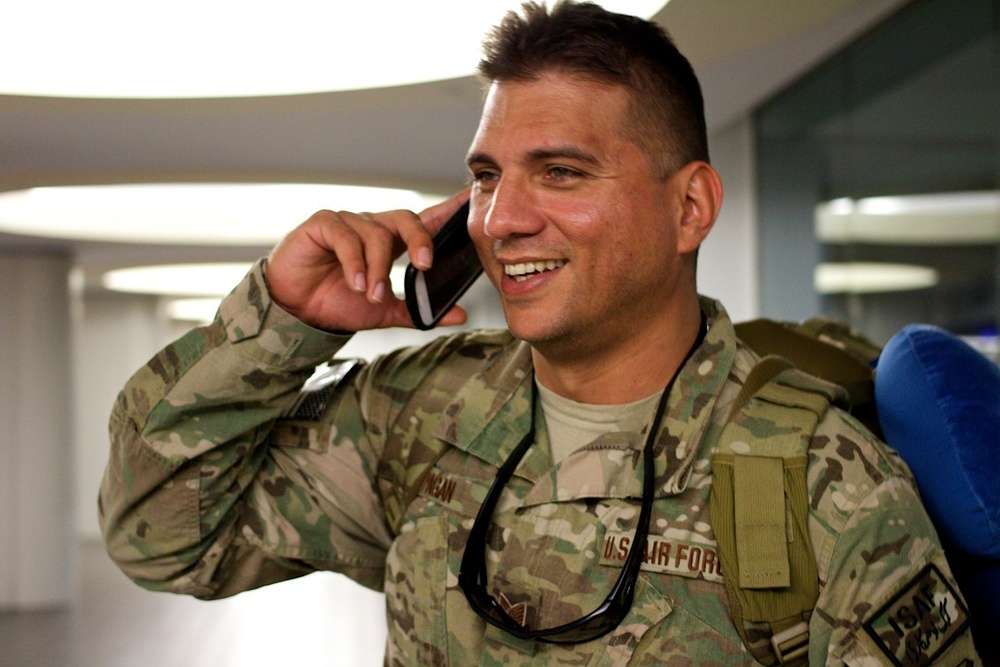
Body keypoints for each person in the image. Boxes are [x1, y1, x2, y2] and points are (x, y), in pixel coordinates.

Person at [99, 2, 982, 665]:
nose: (501, 218)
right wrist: (281, 324)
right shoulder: (420, 411)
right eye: (486, 177)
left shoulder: (821, 480)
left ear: (690, 207)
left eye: (560, 172)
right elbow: (162, 537)